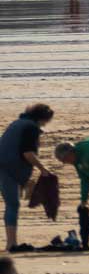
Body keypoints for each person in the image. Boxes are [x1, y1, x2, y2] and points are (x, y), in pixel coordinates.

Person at [0, 104, 53, 255]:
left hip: (3, 165)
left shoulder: (17, 123)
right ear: (42, 118)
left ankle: (11, 242)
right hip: (9, 167)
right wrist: (43, 169)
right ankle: (11, 244)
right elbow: (28, 154)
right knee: (13, 204)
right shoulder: (31, 128)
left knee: (12, 203)